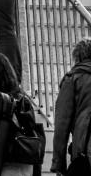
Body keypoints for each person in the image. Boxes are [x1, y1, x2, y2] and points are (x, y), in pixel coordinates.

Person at [52, 39, 91, 175]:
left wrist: (59, 165)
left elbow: (61, 127)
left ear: (78, 57)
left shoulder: (73, 79)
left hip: (85, 153)